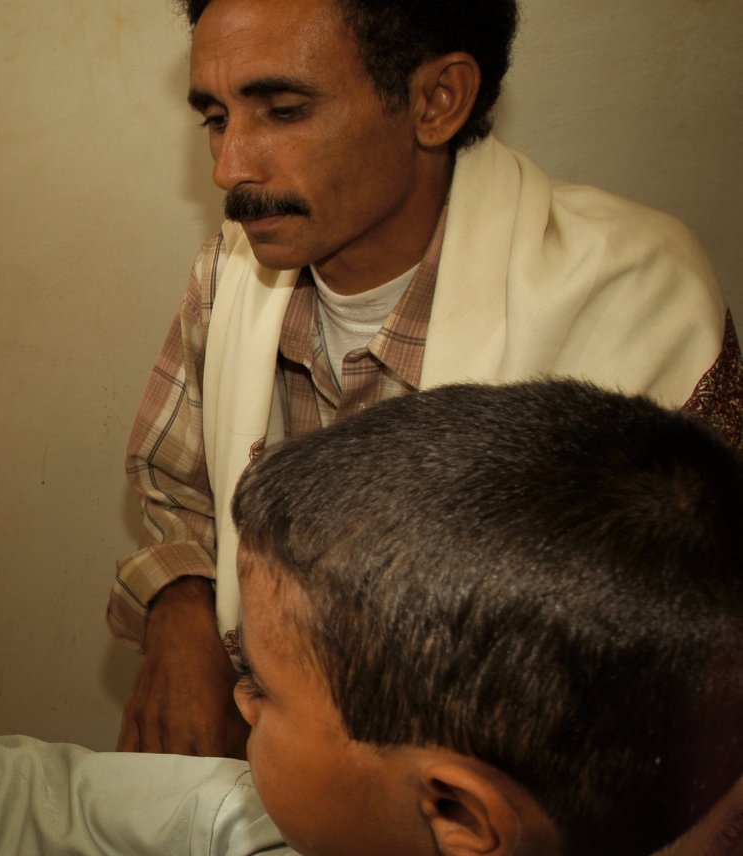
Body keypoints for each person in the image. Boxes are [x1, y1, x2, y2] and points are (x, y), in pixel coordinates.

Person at [112, 0, 743, 759]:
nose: (230, 167)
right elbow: (176, 485)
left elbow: (679, 660)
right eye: (217, 118)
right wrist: (183, 611)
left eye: (282, 110)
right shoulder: (229, 275)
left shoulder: (631, 297)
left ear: (436, 101)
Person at [0, 380, 743, 856]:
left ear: (453, 811)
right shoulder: (316, 823)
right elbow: (62, 800)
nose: (232, 698)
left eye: (264, 692)